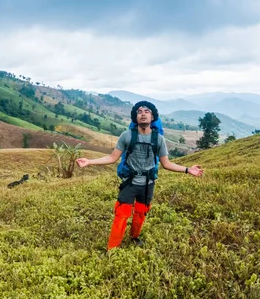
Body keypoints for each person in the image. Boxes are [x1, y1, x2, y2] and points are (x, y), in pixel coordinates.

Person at [76, 101, 204, 250]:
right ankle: (113, 248)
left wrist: (188, 169)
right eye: (139, 111)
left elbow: (166, 164)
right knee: (121, 214)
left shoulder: (158, 139)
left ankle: (134, 237)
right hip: (130, 182)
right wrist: (89, 162)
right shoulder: (127, 136)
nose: (143, 113)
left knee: (141, 212)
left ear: (152, 117)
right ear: (135, 117)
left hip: (148, 184)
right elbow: (112, 158)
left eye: (147, 111)